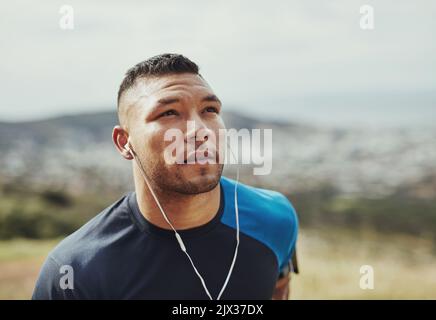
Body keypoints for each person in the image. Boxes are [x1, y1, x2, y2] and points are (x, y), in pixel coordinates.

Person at [32, 53, 299, 300]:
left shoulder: (275, 217)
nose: (200, 130)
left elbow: (278, 288)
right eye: (169, 113)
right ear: (124, 142)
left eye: (210, 110)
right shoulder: (75, 271)